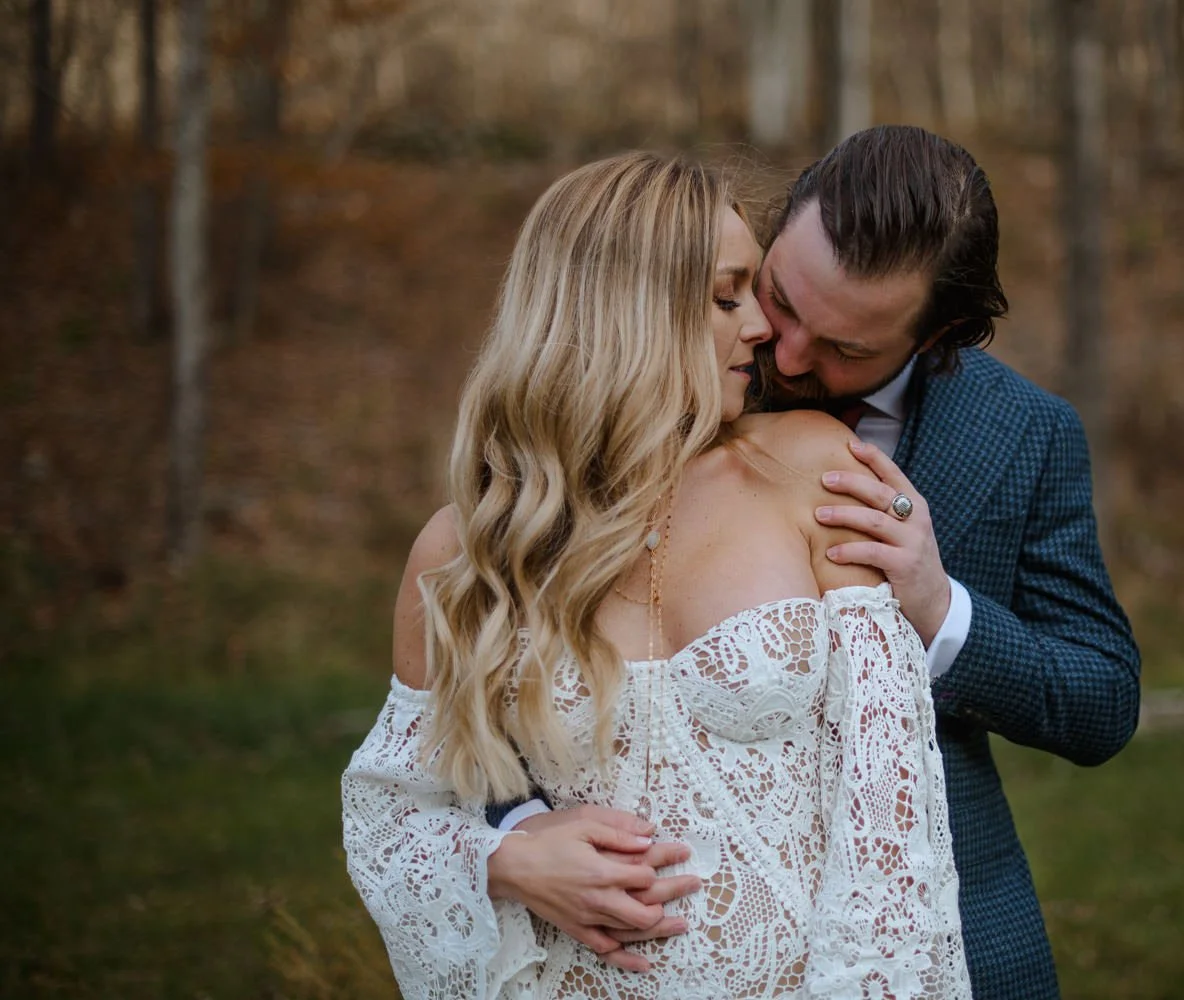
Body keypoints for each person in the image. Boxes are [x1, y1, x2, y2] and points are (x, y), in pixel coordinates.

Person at [494, 127, 1142, 999]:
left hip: (942, 937)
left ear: (939, 334)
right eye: (782, 301)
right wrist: (522, 835)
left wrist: (941, 608)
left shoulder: (1026, 434)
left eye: (845, 348)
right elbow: (491, 674)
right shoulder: (683, 364)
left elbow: (1101, 699)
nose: (786, 356)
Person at [341, 151, 972, 999]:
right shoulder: (467, 551)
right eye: (726, 297)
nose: (762, 331)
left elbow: (889, 830)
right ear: (623, 312)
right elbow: (391, 818)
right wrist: (508, 858)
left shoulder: (817, 475)